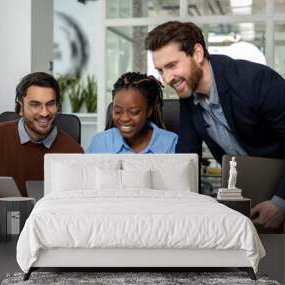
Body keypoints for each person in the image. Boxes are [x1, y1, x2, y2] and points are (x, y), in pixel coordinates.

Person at [146, 21, 285, 228]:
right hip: (250, 194)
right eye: (160, 70)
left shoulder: (256, 81)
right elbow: (186, 156)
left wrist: (280, 203)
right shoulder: (190, 97)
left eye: (172, 66)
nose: (166, 79)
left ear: (198, 53)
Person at [0, 72, 84, 213]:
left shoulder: (74, 150)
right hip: (0, 224)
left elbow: (82, 202)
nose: (44, 113)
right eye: (35, 105)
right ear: (20, 108)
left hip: (51, 226)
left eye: (50, 104)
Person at [87, 72, 177, 154]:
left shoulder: (171, 143)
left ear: (149, 111)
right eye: (118, 111)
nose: (124, 118)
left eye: (134, 112)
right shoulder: (100, 142)